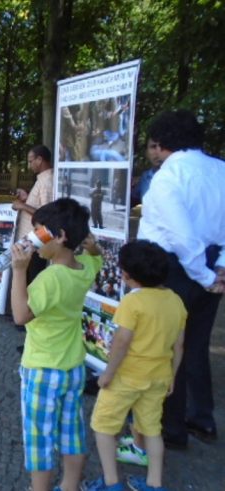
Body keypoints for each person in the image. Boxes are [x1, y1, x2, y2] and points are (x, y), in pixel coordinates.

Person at [137, 109, 225, 450]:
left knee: (167, 347)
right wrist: (219, 270)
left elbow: (182, 236)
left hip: (177, 268)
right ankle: (202, 417)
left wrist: (204, 276)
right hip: (213, 263)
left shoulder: (169, 175)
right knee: (197, 343)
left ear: (162, 142)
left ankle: (171, 427)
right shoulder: (220, 169)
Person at [10, 198, 103, 491]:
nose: (34, 240)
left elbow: (21, 315)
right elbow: (95, 257)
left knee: (39, 438)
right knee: (71, 432)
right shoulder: (83, 269)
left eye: (39, 232)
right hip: (73, 367)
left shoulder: (50, 279)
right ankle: (70, 486)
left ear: (60, 235)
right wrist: (93, 247)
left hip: (42, 371)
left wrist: (19, 272)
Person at [83, 240, 186, 491]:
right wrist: (172, 376)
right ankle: (154, 484)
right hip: (159, 377)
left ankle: (111, 483)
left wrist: (108, 373)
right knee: (152, 430)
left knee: (104, 426)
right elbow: (179, 346)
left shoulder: (132, 302)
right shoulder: (175, 300)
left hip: (126, 377)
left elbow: (121, 341)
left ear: (127, 275)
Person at [12, 145, 54, 283]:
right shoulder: (42, 179)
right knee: (25, 279)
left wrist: (22, 205)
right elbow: (40, 205)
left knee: (32, 281)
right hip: (29, 241)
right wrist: (27, 197)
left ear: (39, 159)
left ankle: (29, 305)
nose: (29, 165)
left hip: (35, 243)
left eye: (30, 161)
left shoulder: (47, 181)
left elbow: (47, 216)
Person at [131, 138, 163, 207]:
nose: (157, 151)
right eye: (153, 147)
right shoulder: (144, 177)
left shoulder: (177, 176)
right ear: (146, 153)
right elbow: (133, 197)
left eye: (162, 146)